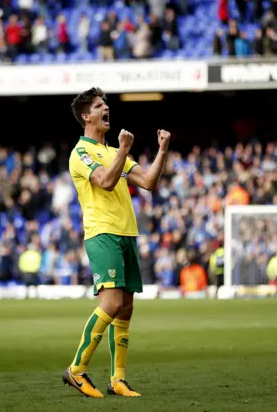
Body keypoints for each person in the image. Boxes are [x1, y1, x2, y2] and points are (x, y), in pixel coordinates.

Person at [62, 87, 170, 398]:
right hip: (102, 232)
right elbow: (106, 182)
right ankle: (76, 370)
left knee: (125, 309)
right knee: (110, 303)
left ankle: (117, 379)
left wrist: (162, 149)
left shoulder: (113, 153)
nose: (106, 109)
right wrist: (123, 150)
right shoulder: (81, 153)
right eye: (99, 106)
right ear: (87, 116)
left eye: (106, 105)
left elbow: (148, 182)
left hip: (127, 233)